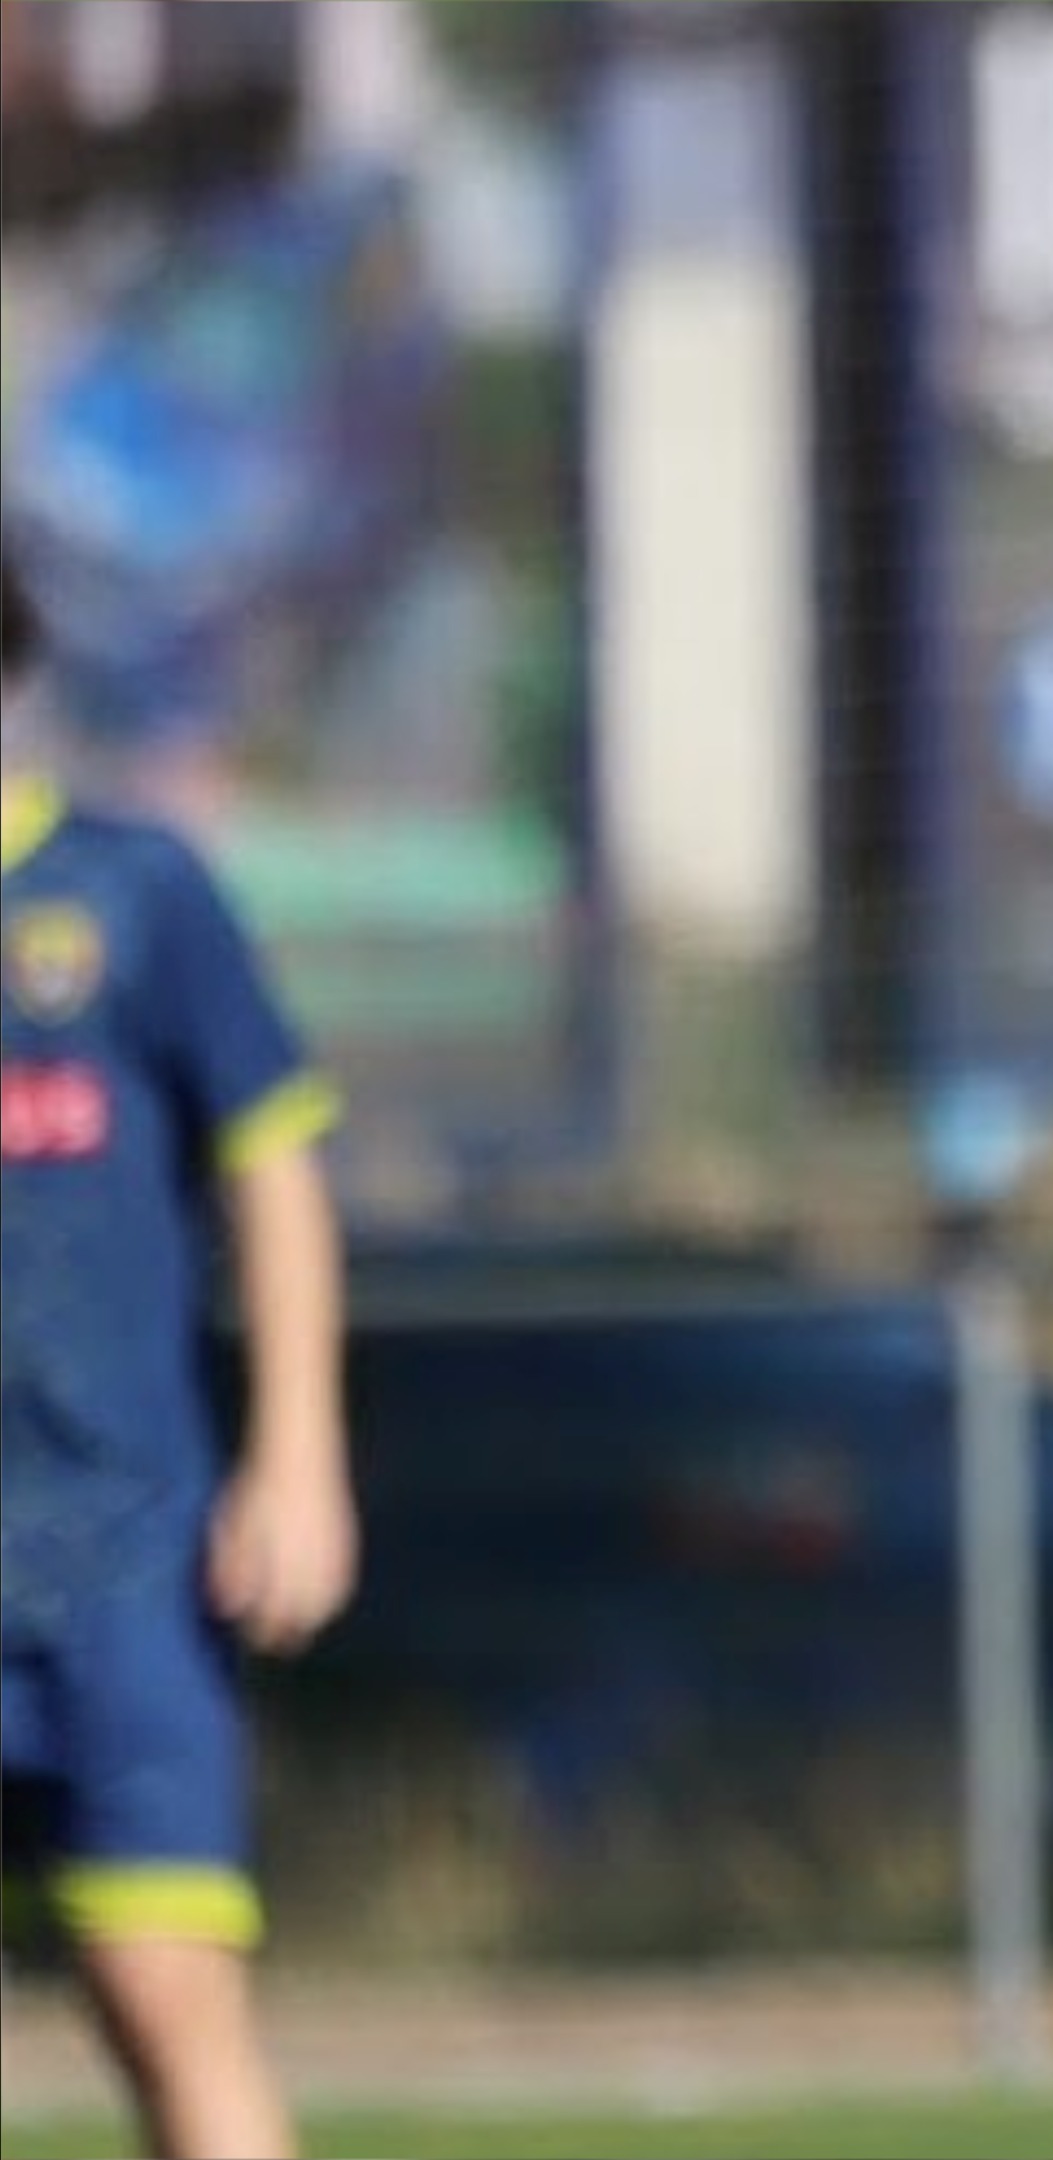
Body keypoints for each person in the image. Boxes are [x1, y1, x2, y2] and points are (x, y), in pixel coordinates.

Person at [1, 544, 353, 2160]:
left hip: (120, 1549)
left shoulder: (131, 895)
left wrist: (299, 1457)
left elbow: (275, 1169)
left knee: (166, 1994)